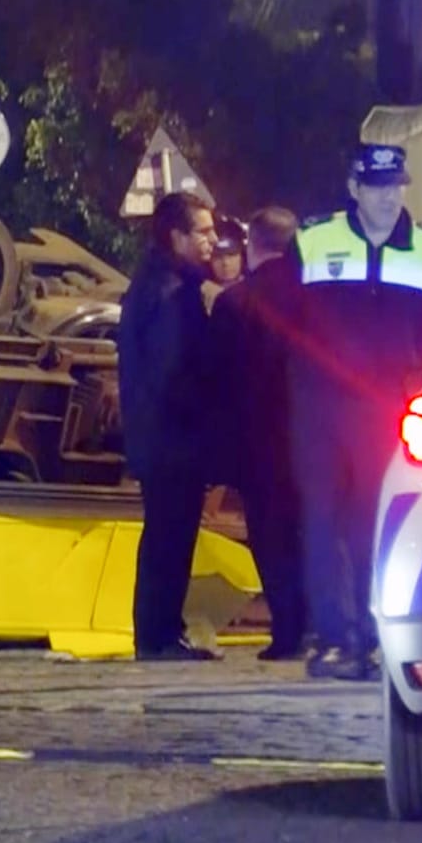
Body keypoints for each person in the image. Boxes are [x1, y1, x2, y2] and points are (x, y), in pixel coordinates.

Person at [280, 144, 422, 681]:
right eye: (376, 186)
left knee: (379, 521)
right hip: (318, 408)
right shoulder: (312, 241)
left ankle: (377, 639)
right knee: (321, 522)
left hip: (385, 408)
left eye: (396, 185)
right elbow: (282, 319)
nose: (387, 196)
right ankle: (334, 641)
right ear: (353, 188)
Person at [115, 191, 222, 661]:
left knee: (168, 534)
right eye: (203, 231)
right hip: (171, 439)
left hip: (162, 437)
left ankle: (161, 632)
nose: (213, 240)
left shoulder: (162, 282)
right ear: (177, 236)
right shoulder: (170, 293)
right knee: (169, 536)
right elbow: (171, 370)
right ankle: (158, 636)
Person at [210, 205, 308, 660]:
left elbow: (218, 380)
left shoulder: (234, 303)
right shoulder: (319, 297)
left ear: (253, 246)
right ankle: (328, 629)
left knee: (271, 538)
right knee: (320, 534)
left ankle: (288, 632)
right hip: (317, 439)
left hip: (258, 444)